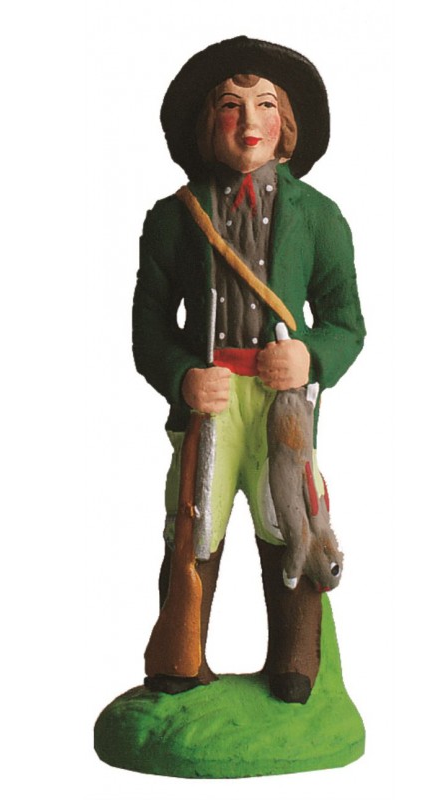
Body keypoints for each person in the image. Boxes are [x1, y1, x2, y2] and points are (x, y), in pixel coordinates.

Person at [133, 36, 365, 704]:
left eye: (265, 104)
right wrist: (183, 374)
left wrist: (310, 357)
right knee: (194, 521)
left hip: (281, 402)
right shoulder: (174, 219)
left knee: (287, 515)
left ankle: (296, 659)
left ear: (286, 124)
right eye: (230, 106)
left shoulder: (319, 218)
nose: (249, 122)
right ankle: (180, 657)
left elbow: (347, 323)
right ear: (208, 124)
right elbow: (148, 326)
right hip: (209, 401)